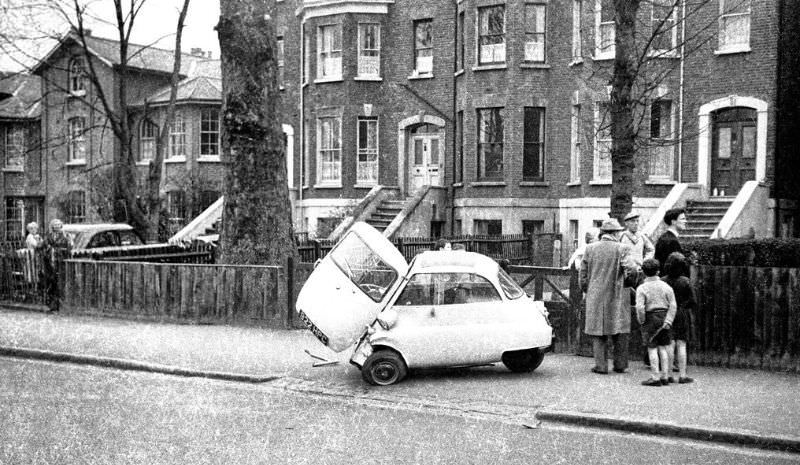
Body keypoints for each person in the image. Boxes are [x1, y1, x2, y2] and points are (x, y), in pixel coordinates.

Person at [580, 219, 636, 374]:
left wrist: (588, 289)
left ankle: (601, 366)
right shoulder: (623, 248)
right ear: (616, 233)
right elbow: (631, 269)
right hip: (618, 295)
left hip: (596, 294)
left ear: (603, 233)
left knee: (598, 331)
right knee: (621, 329)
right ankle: (620, 364)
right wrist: (628, 284)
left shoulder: (590, 249)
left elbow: (582, 275)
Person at [636, 258, 677, 386]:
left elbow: (640, 307)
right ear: (658, 271)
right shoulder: (666, 287)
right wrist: (669, 320)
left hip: (650, 318)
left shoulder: (642, 288)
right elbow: (673, 304)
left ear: (643, 272)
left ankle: (655, 377)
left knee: (652, 348)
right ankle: (665, 376)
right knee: (663, 347)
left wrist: (641, 320)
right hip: (664, 316)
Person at [662, 252, 695, 384]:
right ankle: (682, 374)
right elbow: (693, 300)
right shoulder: (685, 281)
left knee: (669, 344)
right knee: (682, 344)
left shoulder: (663, 281)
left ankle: (668, 374)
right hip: (681, 313)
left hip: (667, 313)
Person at [42, 218, 73, 312]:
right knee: (51, 282)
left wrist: (60, 251)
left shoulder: (66, 235)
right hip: (50, 261)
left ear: (61, 225)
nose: (56, 226)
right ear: (52, 226)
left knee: (60, 282)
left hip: (61, 261)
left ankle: (60, 305)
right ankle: (52, 305)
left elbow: (70, 246)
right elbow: (44, 245)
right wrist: (50, 249)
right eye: (54, 224)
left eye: (58, 224)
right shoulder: (49, 235)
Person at [655, 208, 687, 276]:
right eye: (682, 219)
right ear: (673, 222)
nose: (685, 221)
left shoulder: (665, 237)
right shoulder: (671, 241)